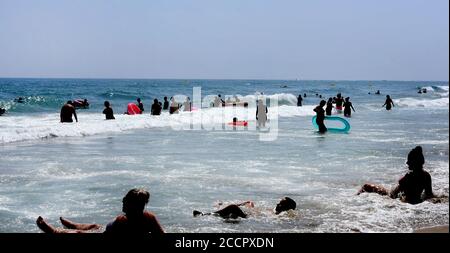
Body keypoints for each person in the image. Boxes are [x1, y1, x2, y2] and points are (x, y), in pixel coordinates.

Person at [36, 188, 165, 234]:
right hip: (109, 228)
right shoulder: (144, 218)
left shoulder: (147, 218)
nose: (122, 203)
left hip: (109, 231)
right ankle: (71, 225)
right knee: (94, 226)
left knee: (80, 232)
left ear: (134, 206)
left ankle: (54, 231)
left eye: (125, 201)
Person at [358, 146, 435, 205]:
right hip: (414, 201)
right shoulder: (426, 176)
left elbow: (394, 195)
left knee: (366, 186)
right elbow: (429, 195)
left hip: (395, 198)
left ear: (414, 162)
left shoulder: (409, 176)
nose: (407, 163)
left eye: (409, 160)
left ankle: (354, 199)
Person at [193, 197, 296, 219]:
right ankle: (223, 210)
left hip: (248, 217)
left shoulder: (281, 215)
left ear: (286, 207)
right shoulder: (275, 211)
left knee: (232, 207)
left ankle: (204, 214)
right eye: (278, 203)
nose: (277, 204)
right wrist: (249, 205)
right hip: (249, 214)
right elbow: (261, 212)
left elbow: (264, 217)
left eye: (280, 204)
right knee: (248, 202)